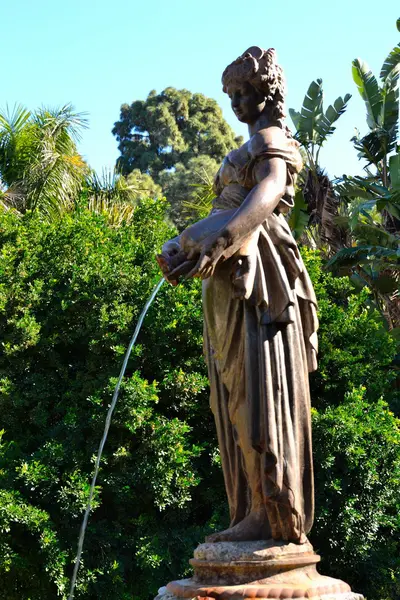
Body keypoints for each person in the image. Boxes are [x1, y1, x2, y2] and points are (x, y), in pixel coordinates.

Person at [157, 47, 318, 544]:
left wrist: (222, 240)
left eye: (244, 92)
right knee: (232, 396)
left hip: (257, 277)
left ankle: (271, 512)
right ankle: (250, 505)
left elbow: (266, 193)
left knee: (255, 394)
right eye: (230, 95)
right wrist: (181, 246)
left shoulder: (272, 140)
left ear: (268, 92)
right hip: (228, 281)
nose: (236, 103)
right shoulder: (246, 146)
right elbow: (223, 209)